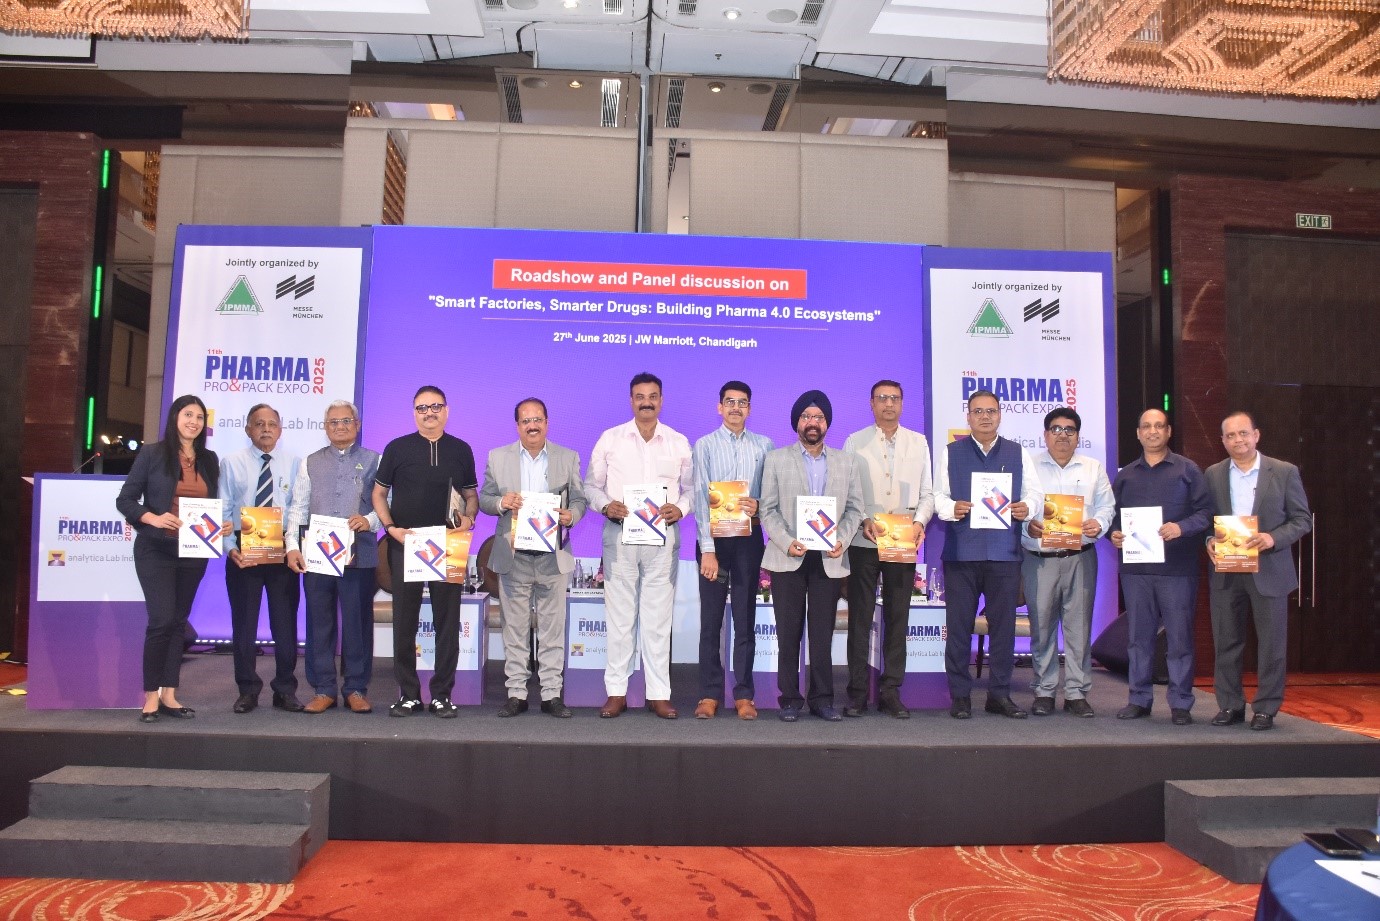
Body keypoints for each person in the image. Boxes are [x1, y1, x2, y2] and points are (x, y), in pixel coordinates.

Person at [584, 372, 693, 720]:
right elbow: (590, 486)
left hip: (662, 539)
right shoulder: (611, 439)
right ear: (631, 400)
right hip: (620, 538)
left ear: (661, 400)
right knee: (619, 619)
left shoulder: (678, 442)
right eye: (640, 396)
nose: (647, 402)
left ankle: (659, 694)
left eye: (653, 396)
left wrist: (681, 508)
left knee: (658, 620)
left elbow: (693, 490)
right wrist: (605, 506)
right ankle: (616, 692)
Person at [371, 385, 478, 718]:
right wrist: (391, 529)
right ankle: (408, 695)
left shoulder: (461, 449)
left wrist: (469, 518)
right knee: (405, 622)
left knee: (447, 622)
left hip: (448, 544)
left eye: (435, 406)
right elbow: (378, 494)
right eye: (422, 407)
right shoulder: (396, 448)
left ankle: (442, 695)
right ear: (413, 412)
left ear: (446, 410)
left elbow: (471, 495)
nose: (429, 413)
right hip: (407, 544)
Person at [759, 390, 865, 722]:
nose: (812, 422)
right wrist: (786, 541)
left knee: (821, 635)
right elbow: (767, 509)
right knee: (788, 634)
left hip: (829, 559)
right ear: (797, 423)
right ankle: (790, 699)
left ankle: (822, 699)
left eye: (818, 417)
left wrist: (842, 540)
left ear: (827, 423)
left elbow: (855, 509)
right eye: (806, 416)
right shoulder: (776, 459)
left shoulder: (846, 462)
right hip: (788, 556)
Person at [935, 390, 1041, 720]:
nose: (985, 416)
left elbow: (1035, 494)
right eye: (978, 411)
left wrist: (1027, 507)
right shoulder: (951, 452)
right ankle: (960, 696)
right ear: (968, 416)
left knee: (1003, 629)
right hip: (961, 554)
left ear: (1000, 415)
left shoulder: (1017, 452)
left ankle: (999, 694)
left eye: (991, 411)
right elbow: (937, 496)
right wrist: (951, 507)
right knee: (958, 627)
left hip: (1004, 554)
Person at [478, 398, 588, 719]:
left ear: (547, 423)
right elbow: (484, 499)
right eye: (526, 421)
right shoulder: (498, 457)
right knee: (514, 628)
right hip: (514, 555)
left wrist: (572, 515)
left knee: (552, 628)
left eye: (538, 419)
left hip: (553, 556)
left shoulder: (567, 457)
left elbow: (579, 499)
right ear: (517, 426)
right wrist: (502, 502)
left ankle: (552, 694)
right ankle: (517, 693)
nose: (532, 426)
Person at [1205, 411, 1311, 731]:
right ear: (1223, 441)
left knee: (1271, 645)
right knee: (1226, 642)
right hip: (1226, 570)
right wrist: (1209, 540)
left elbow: (1302, 520)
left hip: (1270, 570)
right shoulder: (1212, 474)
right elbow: (1204, 518)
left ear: (1256, 435)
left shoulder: (1284, 471)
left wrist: (1272, 538)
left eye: (1243, 433)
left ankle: (1265, 708)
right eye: (1230, 435)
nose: (1237, 440)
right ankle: (1230, 705)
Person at [117, 395, 221, 724]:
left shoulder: (209, 459)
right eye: (188, 414)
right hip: (156, 549)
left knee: (178, 622)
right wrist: (153, 517)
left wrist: (221, 524)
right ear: (175, 417)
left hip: (195, 551)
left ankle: (170, 694)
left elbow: (212, 502)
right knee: (161, 620)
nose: (194, 421)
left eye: (200, 417)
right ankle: (150, 696)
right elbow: (126, 500)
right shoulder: (152, 453)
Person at [1110, 408, 1211, 725]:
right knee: (1138, 639)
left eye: (1159, 426)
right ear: (1138, 433)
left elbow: (1206, 514)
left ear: (1168, 432)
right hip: (1136, 571)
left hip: (1177, 570)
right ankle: (1139, 699)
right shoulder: (1125, 475)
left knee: (1179, 639)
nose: (1152, 431)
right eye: (1146, 426)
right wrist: (1114, 534)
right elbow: (1113, 516)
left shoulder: (1188, 470)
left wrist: (1181, 527)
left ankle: (1180, 702)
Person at [841, 380, 934, 719]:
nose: (889, 404)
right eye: (882, 398)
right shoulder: (855, 441)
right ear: (871, 403)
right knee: (860, 619)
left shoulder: (918, 442)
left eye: (895, 398)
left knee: (898, 618)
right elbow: (848, 491)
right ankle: (856, 693)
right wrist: (863, 519)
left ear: (902, 404)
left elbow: (927, 493)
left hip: (903, 541)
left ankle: (891, 691)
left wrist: (920, 522)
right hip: (864, 540)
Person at [284, 400, 381, 715]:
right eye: (333, 422)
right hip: (317, 556)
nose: (340, 427)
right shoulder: (310, 462)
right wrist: (292, 546)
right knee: (319, 623)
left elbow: (387, 503)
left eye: (346, 421)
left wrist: (369, 520)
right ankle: (323, 689)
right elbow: (299, 507)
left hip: (358, 556)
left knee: (357, 624)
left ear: (357, 424)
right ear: (325, 427)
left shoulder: (375, 460)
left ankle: (356, 688)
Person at [1020, 407, 1115, 717]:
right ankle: (1044, 690)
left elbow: (1107, 507)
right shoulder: (1028, 467)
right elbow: (1017, 509)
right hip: (1039, 560)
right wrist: (1027, 526)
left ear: (1078, 436)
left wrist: (1099, 523)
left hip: (1080, 558)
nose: (1063, 435)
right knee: (1041, 627)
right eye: (1056, 429)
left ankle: (1076, 692)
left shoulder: (1093, 468)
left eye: (1069, 430)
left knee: (1079, 628)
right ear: (1045, 435)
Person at [690, 381, 773, 720]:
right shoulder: (705, 445)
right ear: (719, 407)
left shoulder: (764, 445)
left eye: (742, 402)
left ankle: (744, 694)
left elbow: (771, 495)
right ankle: (709, 694)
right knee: (710, 622)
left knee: (745, 619)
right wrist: (708, 550)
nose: (736, 408)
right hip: (714, 542)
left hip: (748, 541)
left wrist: (759, 504)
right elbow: (700, 498)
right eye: (730, 402)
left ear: (749, 409)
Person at [221, 403, 304, 713]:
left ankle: (285, 689)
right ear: (248, 429)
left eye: (272, 424)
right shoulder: (231, 462)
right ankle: (247, 689)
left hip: (282, 550)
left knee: (285, 624)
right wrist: (230, 548)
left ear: (280, 430)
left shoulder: (296, 463)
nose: (266, 429)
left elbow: (299, 509)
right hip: (244, 551)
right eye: (259, 424)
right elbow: (223, 507)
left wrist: (293, 546)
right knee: (244, 624)